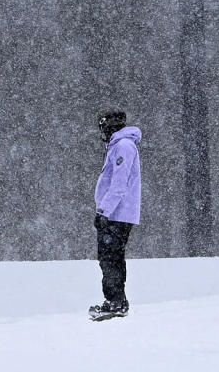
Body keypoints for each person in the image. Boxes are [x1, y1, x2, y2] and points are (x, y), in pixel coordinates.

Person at [89, 110, 142, 321]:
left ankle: (115, 302)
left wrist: (104, 210)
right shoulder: (119, 146)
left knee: (109, 257)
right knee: (113, 257)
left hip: (117, 214)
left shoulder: (123, 147)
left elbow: (119, 184)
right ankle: (118, 300)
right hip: (117, 213)